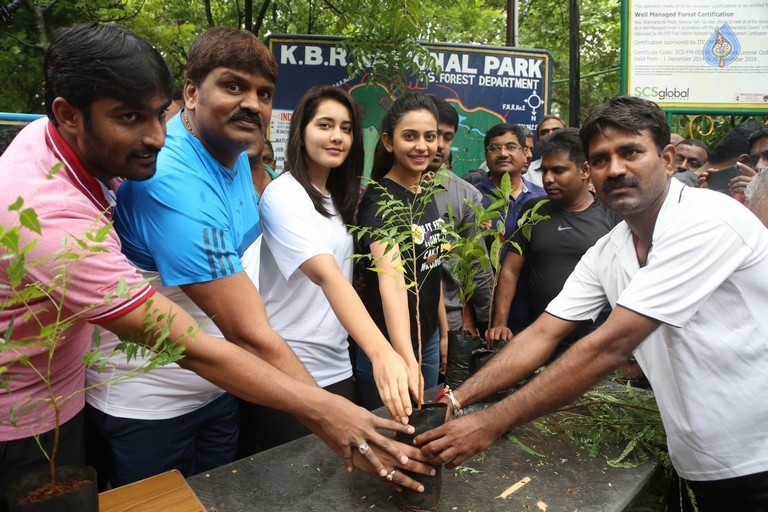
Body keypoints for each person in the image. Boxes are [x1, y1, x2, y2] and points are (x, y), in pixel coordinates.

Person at [35, 25, 423, 492]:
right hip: (151, 405)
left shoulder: (236, 152)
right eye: (233, 86)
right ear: (193, 91)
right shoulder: (172, 183)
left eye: (263, 93)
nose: (252, 104)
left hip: (221, 391)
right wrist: (330, 414)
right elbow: (251, 333)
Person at [415, 96, 768, 511]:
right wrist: (454, 401)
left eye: (631, 152)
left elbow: (610, 345)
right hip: (698, 460)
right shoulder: (610, 249)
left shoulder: (707, 220)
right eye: (601, 159)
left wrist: (489, 423)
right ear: (591, 172)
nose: (615, 169)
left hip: (756, 458)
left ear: (668, 158)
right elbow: (544, 332)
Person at [253, 85, 413, 449]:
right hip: (288, 370)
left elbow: (385, 273)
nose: (337, 136)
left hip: (336, 364)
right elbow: (326, 275)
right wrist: (382, 352)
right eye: (325, 125)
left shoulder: (337, 199)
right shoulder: (284, 195)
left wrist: (401, 353)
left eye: (346, 128)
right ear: (301, 132)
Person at [487, 128, 622, 356]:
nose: (548, 179)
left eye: (559, 171)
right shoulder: (534, 210)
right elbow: (510, 270)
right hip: (543, 342)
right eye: (545, 170)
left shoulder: (614, 216)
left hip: (599, 346)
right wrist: (500, 323)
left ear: (585, 170)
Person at [355, 93, 446, 410]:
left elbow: (431, 268)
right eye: (410, 136)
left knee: (422, 435)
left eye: (429, 137)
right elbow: (391, 282)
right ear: (388, 142)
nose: (422, 146)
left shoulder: (424, 190)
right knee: (396, 444)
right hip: (392, 348)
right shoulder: (380, 201)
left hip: (427, 339)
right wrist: (406, 358)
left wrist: (443, 333)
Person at [425, 95, 492, 336]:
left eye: (447, 137)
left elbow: (477, 263)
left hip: (449, 323)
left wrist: (488, 322)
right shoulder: (384, 191)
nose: (440, 145)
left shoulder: (466, 195)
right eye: (433, 134)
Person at [475, 122, 545, 333]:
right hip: (483, 313)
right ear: (486, 156)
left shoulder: (544, 198)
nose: (502, 153)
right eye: (494, 148)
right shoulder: (472, 198)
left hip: (535, 312)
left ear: (525, 153)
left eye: (510, 147)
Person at [526, 115, 566, 187]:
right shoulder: (526, 173)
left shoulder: (581, 169)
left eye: (556, 131)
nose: (551, 135)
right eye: (544, 132)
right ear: (538, 140)